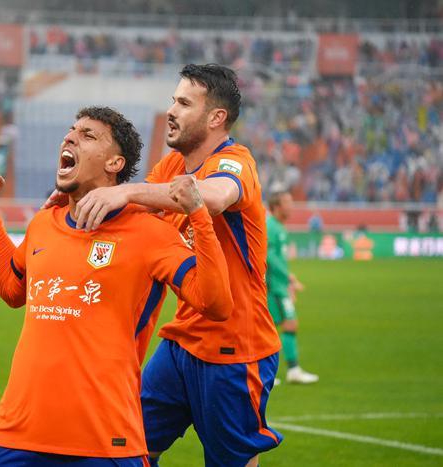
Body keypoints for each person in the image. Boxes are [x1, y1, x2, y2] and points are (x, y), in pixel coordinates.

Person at [0, 106, 233, 467]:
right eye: (71, 130)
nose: (70, 137)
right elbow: (12, 289)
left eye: (88, 135)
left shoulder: (151, 234)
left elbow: (216, 303)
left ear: (114, 163)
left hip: (105, 441)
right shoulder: (44, 223)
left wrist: (198, 214)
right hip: (16, 432)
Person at [48, 64, 283, 466]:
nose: (171, 110)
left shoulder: (236, 161)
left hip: (235, 350)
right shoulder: (172, 166)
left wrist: (127, 192)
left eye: (184, 103)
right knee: (127, 447)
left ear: (216, 118)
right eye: (173, 101)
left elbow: (213, 197)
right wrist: (76, 195)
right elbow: (134, 210)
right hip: (180, 341)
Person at [266, 191, 318, 384]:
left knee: (276, 326)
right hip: (274, 287)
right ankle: (284, 371)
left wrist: (288, 279)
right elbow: (268, 256)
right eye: (287, 202)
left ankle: (281, 371)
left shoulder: (278, 226)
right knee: (283, 325)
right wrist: (288, 279)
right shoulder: (271, 226)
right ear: (276, 206)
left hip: (279, 285)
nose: (291, 206)